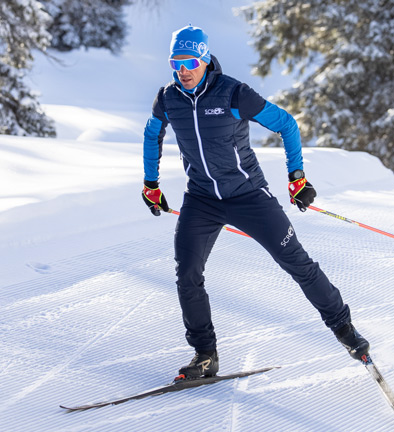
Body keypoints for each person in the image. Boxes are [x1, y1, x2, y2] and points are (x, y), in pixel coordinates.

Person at [142, 25, 369, 379]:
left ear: (203, 58)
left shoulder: (233, 94)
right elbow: (151, 133)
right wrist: (150, 184)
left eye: (188, 61)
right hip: (201, 199)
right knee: (187, 273)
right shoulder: (168, 99)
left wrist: (297, 178)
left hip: (248, 196)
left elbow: (287, 124)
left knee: (296, 262)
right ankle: (205, 355)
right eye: (175, 63)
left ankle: (344, 329)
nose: (182, 70)